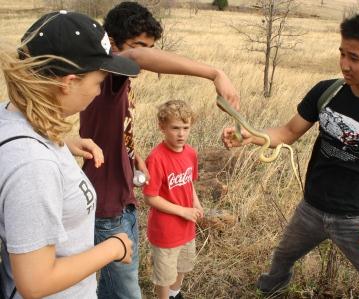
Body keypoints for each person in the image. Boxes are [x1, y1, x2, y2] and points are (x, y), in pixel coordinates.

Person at [222, 13, 359, 298]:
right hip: (310, 209)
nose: (344, 64)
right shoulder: (326, 92)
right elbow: (289, 131)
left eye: (354, 57)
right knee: (282, 259)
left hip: (356, 220)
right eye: (341, 53)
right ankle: (271, 291)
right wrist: (252, 135)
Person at [67, 2, 239, 299]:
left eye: (150, 47)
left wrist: (133, 157)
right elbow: (134, 57)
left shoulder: (114, 81)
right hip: (108, 206)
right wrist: (214, 73)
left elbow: (111, 128)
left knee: (113, 286)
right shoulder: (109, 69)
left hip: (120, 197)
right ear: (113, 42)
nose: (142, 56)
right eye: (138, 45)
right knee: (126, 292)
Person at [0, 11, 138, 299]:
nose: (100, 93)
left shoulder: (13, 116)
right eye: (98, 82)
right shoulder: (33, 165)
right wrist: (114, 247)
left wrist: (62, 143)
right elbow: (35, 281)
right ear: (69, 82)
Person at [142, 100, 202, 299]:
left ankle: (175, 294)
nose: (181, 134)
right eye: (175, 128)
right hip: (166, 230)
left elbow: (189, 183)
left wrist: (195, 203)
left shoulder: (191, 153)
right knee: (165, 275)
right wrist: (182, 211)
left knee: (183, 265)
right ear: (162, 127)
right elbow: (150, 197)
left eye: (186, 128)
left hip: (187, 226)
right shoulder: (157, 158)